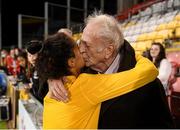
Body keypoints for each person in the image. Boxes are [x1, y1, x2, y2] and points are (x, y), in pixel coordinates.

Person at [48, 13, 174, 128]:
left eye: (87, 45)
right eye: (81, 42)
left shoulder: (148, 84)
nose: (80, 49)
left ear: (108, 50)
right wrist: (54, 76)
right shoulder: (81, 68)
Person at [35, 32, 158, 129]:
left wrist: (52, 77)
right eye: (78, 48)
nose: (82, 49)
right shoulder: (84, 86)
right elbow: (149, 71)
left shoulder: (51, 93)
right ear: (71, 62)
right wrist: (131, 54)